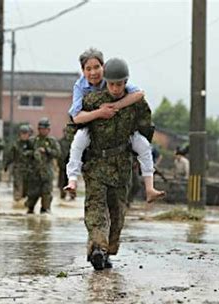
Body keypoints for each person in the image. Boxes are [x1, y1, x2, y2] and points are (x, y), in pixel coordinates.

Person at [72, 58, 154, 270]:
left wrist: (138, 150)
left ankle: (107, 250)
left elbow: (146, 127)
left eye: (120, 84)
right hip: (96, 164)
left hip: (121, 165)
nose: (116, 88)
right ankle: (97, 247)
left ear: (126, 81)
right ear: (105, 82)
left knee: (117, 212)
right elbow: (75, 123)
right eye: (112, 84)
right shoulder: (92, 101)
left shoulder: (136, 104)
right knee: (96, 209)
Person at [64, 48, 164, 203]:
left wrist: (115, 105)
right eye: (88, 69)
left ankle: (150, 188)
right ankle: (72, 180)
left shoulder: (113, 78)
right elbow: (76, 116)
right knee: (78, 142)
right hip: (93, 130)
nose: (93, 73)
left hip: (122, 134)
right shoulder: (80, 87)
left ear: (104, 67)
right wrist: (100, 112)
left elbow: (139, 94)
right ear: (82, 71)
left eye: (97, 67)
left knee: (144, 146)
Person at [24, 118, 61, 214]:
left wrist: (47, 150)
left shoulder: (52, 141)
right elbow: (24, 153)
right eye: (41, 129)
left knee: (46, 195)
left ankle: (45, 212)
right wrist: (34, 153)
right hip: (34, 173)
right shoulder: (32, 141)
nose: (43, 131)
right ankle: (30, 211)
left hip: (47, 173)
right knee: (32, 196)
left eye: (45, 129)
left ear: (49, 130)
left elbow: (58, 153)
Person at [4, 124, 33, 202]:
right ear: (19, 134)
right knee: (18, 187)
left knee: (27, 190)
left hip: (29, 170)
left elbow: (36, 155)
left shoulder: (31, 144)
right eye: (22, 133)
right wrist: (6, 165)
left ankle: (25, 205)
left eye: (26, 133)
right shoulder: (15, 145)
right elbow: (10, 156)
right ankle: (17, 203)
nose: (24, 135)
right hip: (18, 169)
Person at [57, 127, 75, 200]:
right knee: (62, 180)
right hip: (62, 164)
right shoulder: (60, 141)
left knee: (71, 179)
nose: (66, 133)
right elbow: (58, 153)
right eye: (65, 132)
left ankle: (72, 194)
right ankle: (62, 193)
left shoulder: (73, 141)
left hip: (71, 164)